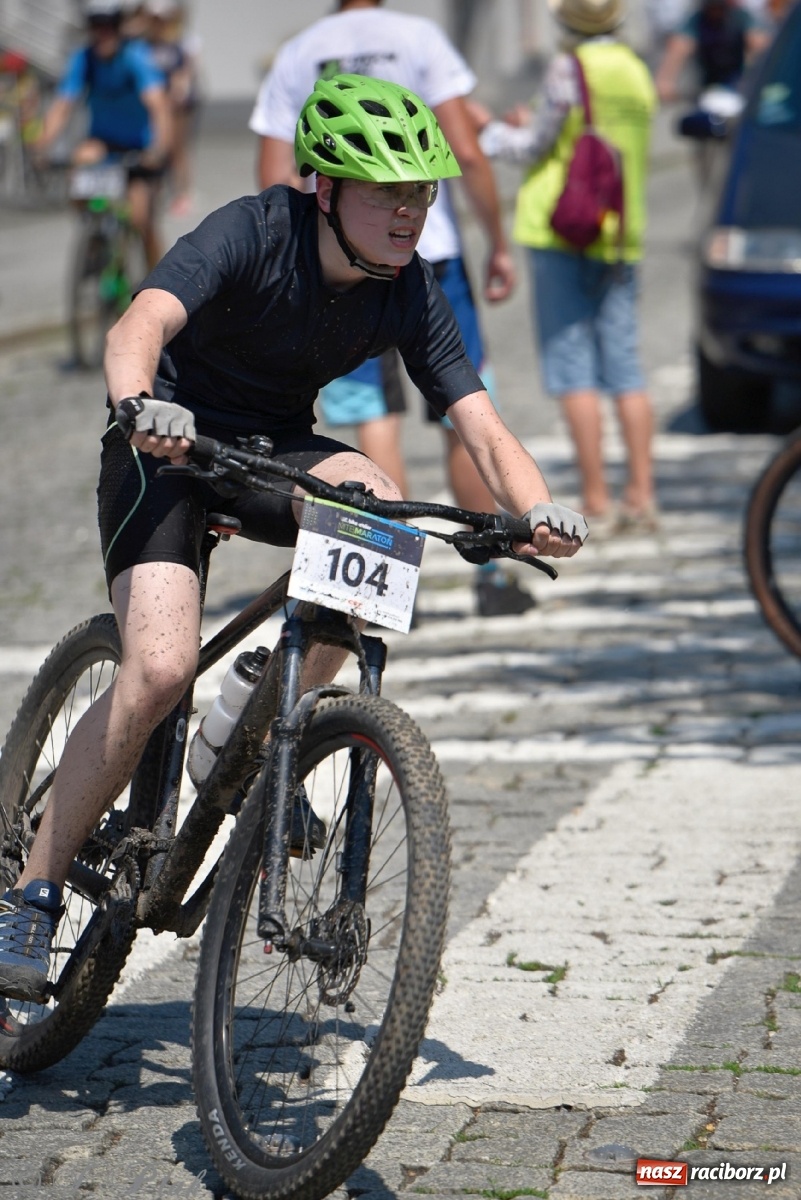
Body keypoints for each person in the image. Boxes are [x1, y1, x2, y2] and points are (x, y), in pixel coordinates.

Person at [0, 75, 587, 1003]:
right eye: (385, 192)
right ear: (325, 187)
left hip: (272, 447)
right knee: (156, 671)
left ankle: (243, 718)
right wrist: (136, 405)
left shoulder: (406, 287)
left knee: (377, 506)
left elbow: (476, 419)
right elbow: (137, 324)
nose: (409, 212)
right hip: (172, 447)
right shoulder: (249, 230)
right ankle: (30, 889)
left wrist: (537, 511)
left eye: (420, 193)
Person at [248, 0, 533, 619]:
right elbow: (468, 151)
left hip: (338, 264)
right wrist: (498, 240)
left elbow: (275, 177)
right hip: (436, 258)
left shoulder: (302, 50)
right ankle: (493, 580)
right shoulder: (420, 38)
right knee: (461, 405)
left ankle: (391, 579)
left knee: (375, 414)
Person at [474, 0, 658, 531]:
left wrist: (489, 132)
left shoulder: (566, 68)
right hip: (622, 230)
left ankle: (596, 496)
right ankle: (641, 493)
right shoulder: (635, 70)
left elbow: (537, 145)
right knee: (625, 364)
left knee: (572, 362)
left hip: (561, 227)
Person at [32, 0, 172, 271]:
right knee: (80, 162)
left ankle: (160, 279)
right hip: (103, 144)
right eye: (96, 26)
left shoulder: (135, 56)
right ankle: (97, 239)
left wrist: (159, 149)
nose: (102, 33)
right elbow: (62, 105)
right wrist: (42, 144)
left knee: (141, 218)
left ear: (119, 28)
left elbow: (159, 105)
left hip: (138, 148)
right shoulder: (83, 58)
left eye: (108, 26)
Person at [139, 0, 202, 215]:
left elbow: (187, 72)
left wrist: (178, 91)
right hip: (155, 102)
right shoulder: (144, 43)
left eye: (160, 18)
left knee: (177, 149)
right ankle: (154, 192)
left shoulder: (183, 40)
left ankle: (183, 192)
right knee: (154, 145)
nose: (157, 23)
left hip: (178, 104)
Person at [655, 0, 770, 104]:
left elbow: (758, 42)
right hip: (708, 84)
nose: (715, 11)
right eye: (712, 7)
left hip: (737, 81)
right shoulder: (697, 19)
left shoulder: (740, 17)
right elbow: (679, 47)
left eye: (719, 7)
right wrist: (665, 81)